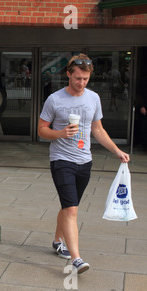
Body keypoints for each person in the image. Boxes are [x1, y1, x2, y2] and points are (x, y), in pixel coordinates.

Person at [38, 53, 130, 274]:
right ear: (68, 74)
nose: (81, 83)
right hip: (61, 160)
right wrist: (59, 133)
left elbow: (97, 129)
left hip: (84, 161)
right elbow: (41, 130)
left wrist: (116, 150)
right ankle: (76, 259)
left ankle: (57, 241)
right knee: (71, 209)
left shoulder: (93, 98)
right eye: (77, 78)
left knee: (68, 206)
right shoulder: (55, 99)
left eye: (85, 79)